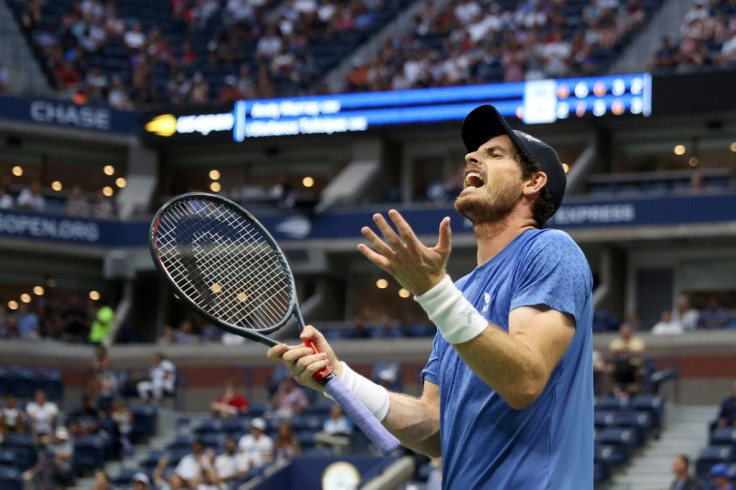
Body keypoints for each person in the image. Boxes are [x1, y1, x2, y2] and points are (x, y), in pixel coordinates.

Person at [268, 104, 594, 487]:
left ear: (532, 182)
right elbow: (435, 425)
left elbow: (525, 380)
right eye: (475, 152)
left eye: (495, 153)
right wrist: (340, 378)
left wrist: (435, 293)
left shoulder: (550, 250)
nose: (472, 156)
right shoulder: (460, 294)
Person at [608, 323, 646, 396]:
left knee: (641, 372)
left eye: (627, 332)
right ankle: (610, 392)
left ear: (631, 332)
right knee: (608, 369)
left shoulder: (637, 341)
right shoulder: (615, 342)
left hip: (633, 366)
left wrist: (622, 350)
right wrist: (630, 351)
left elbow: (638, 350)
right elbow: (613, 350)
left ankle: (639, 391)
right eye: (623, 332)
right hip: (619, 366)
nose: (625, 333)